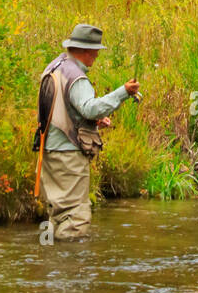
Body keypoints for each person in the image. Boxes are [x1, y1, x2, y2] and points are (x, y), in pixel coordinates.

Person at [34, 24, 140, 241]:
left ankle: (52, 266)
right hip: (68, 157)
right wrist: (123, 93)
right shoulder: (76, 76)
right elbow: (90, 107)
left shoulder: (55, 66)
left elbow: (61, 108)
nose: (97, 56)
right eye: (96, 52)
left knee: (59, 214)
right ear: (87, 51)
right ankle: (70, 268)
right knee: (75, 217)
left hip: (50, 152)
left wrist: (93, 122)